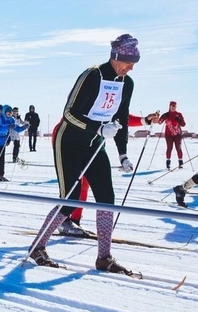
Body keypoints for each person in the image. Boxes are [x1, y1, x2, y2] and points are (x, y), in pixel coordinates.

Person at [27, 34, 143, 275]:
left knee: (106, 199)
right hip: (68, 142)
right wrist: (98, 127)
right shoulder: (93, 75)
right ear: (116, 56)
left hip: (94, 144)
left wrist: (122, 154)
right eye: (129, 61)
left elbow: (120, 118)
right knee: (69, 200)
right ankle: (37, 248)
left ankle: (104, 257)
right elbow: (69, 113)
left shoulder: (127, 83)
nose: (131, 67)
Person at [0, 105, 27, 182]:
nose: (9, 114)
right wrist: (8, 126)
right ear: (4, 112)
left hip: (2, 141)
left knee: (2, 158)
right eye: (8, 113)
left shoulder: (11, 120)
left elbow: (17, 129)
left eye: (10, 113)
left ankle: (1, 175)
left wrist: (24, 127)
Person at [159, 101, 186, 169]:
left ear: (176, 107)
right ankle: (168, 163)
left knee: (178, 148)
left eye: (174, 106)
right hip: (168, 134)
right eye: (172, 106)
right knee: (169, 148)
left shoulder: (179, 114)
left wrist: (179, 120)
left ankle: (180, 162)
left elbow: (183, 124)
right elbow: (159, 122)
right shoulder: (166, 114)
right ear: (170, 106)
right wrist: (163, 117)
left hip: (178, 134)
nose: (173, 107)